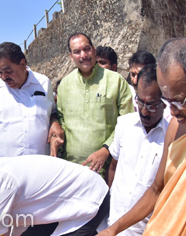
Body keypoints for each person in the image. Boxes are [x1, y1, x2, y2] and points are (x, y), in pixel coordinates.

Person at [92, 38, 186, 236]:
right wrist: (114, 228)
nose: (171, 110)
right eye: (168, 101)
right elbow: (156, 189)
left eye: (178, 101)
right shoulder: (177, 126)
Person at [56, 64, 168, 236]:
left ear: (165, 101)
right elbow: (115, 164)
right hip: (112, 220)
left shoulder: (173, 136)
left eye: (153, 104)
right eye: (140, 101)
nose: (145, 111)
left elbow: (159, 189)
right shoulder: (125, 124)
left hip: (143, 231)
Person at [57, 33, 134, 175]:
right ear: (71, 56)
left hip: (106, 169)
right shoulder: (65, 84)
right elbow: (61, 120)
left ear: (94, 50)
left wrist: (106, 150)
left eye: (86, 49)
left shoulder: (116, 81)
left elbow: (128, 122)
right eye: (77, 52)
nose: (83, 55)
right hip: (71, 170)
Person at [0, 42, 64, 160]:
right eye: (0, 72)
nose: (3, 77)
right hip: (5, 169)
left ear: (23, 64)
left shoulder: (44, 83)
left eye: (8, 71)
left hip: (39, 165)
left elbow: (51, 111)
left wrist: (55, 122)